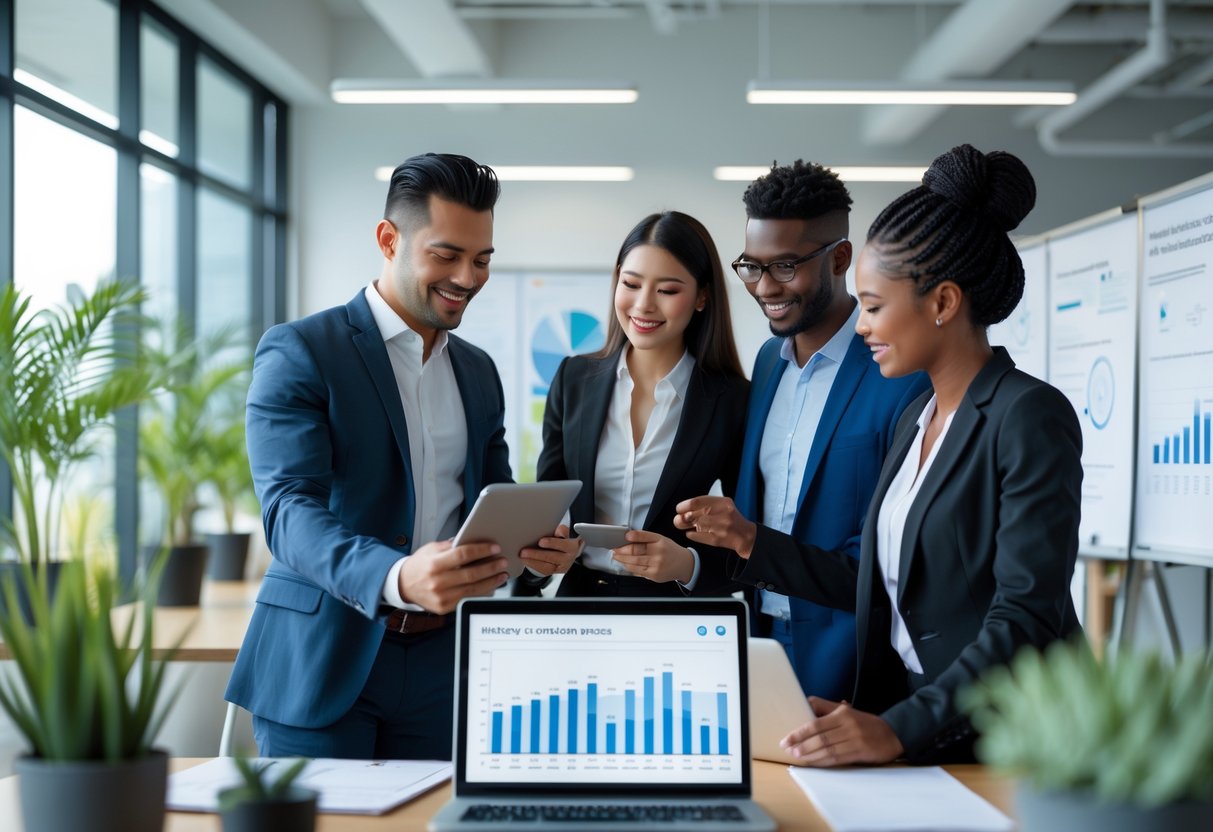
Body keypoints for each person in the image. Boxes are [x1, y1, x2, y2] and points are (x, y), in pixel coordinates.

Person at [677, 144, 1083, 765]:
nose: (861, 327)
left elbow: (1025, 617)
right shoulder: (920, 420)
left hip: (1016, 735)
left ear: (943, 304)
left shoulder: (1027, 414)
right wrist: (877, 714)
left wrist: (899, 727)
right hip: (926, 723)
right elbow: (889, 592)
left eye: (872, 308)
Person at [225, 153, 514, 760]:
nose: (468, 276)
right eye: (446, 254)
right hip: (324, 657)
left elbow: (494, 499)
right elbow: (288, 511)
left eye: (482, 259)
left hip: (448, 666)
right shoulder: (302, 351)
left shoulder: (478, 371)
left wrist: (536, 548)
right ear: (389, 240)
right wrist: (395, 577)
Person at [670, 162, 928, 700]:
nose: (764, 288)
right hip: (760, 638)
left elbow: (888, 565)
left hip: (853, 654)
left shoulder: (900, 376)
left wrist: (749, 540)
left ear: (839, 259)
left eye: (785, 267)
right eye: (751, 267)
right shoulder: (768, 362)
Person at [512, 211, 749, 597]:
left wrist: (687, 565)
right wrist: (542, 563)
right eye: (631, 284)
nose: (643, 305)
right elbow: (548, 511)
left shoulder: (731, 400)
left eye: (667, 291)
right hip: (579, 608)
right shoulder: (574, 379)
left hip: (672, 614)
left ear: (702, 296)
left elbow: (750, 542)